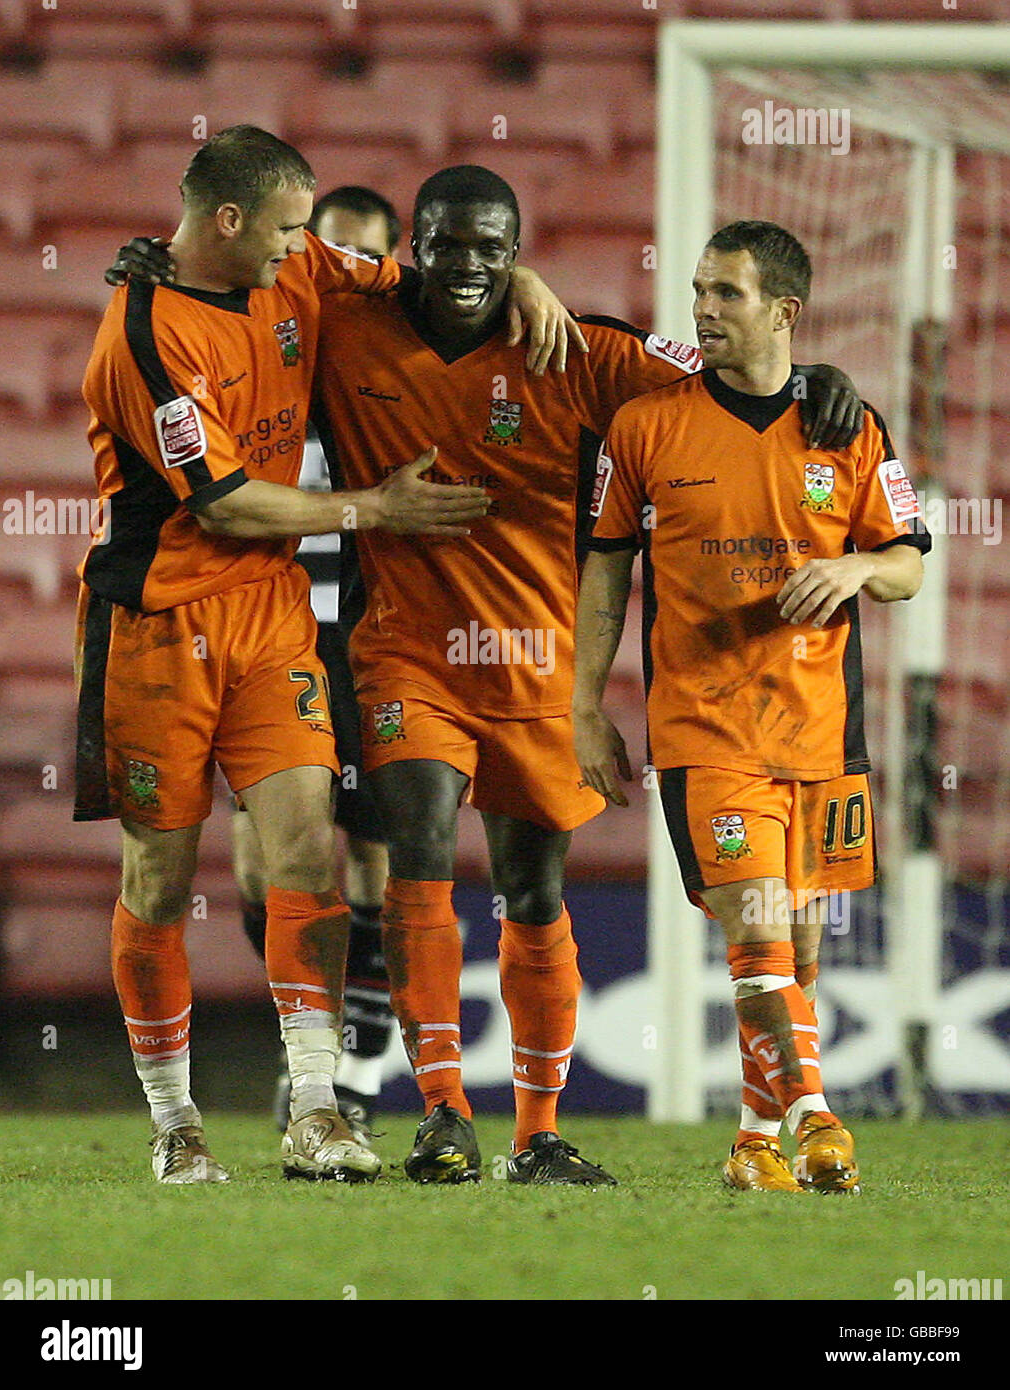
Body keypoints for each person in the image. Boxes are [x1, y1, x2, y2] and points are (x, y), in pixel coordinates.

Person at [308, 172, 864, 1185]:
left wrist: (810, 379)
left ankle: (534, 1134)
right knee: (419, 850)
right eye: (449, 244)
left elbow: (727, 375)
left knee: (531, 889)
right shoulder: (348, 321)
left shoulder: (581, 348)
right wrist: (146, 268)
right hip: (408, 650)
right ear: (415, 245)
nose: (469, 264)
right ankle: (438, 1111)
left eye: (494, 247)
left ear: (517, 248)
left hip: (535, 652)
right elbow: (244, 257)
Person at [80, 127, 577, 1185]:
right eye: (290, 225)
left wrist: (519, 273)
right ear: (228, 223)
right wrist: (372, 510)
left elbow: (432, 265)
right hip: (158, 622)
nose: (309, 246)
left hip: (269, 620)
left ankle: (315, 1105)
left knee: (309, 854)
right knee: (161, 879)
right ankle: (176, 1120)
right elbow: (223, 501)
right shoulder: (142, 334)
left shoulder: (300, 263)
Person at [573, 220, 931, 1194]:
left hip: (819, 727)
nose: (701, 308)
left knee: (794, 949)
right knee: (755, 926)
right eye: (696, 290)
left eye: (725, 293)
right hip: (704, 728)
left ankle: (749, 1141)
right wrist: (583, 706)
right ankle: (815, 1116)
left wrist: (854, 565)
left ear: (783, 310)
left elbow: (905, 562)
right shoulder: (643, 429)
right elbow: (603, 577)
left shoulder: (844, 425)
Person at [231, 187, 402, 1132]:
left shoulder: (395, 362)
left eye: (359, 260)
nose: (335, 273)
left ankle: (360, 1074)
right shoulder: (257, 339)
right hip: (268, 627)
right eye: (321, 250)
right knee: (262, 863)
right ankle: (309, 1036)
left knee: (371, 855)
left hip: (369, 637)